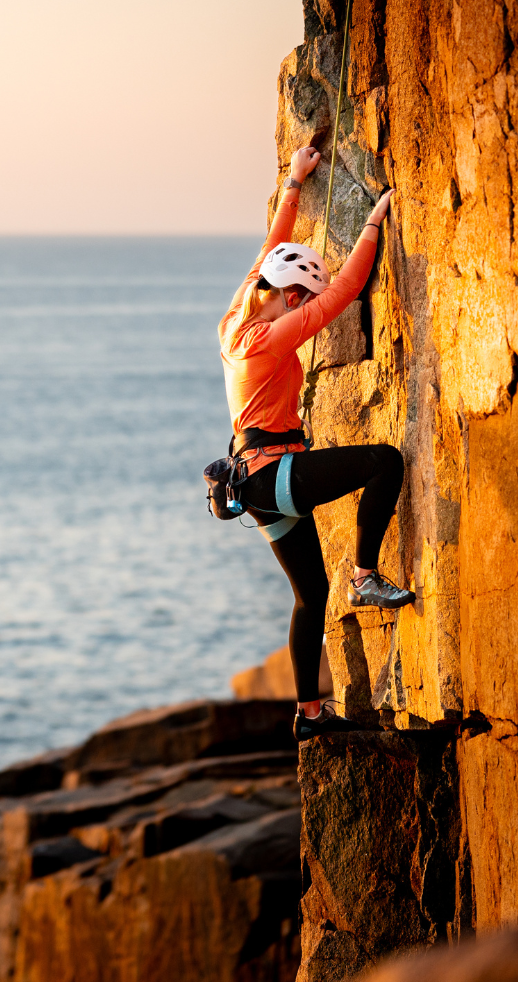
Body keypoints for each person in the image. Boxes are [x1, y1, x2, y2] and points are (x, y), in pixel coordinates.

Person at [218, 145, 416, 741]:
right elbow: (345, 290)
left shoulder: (237, 318)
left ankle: (308, 715)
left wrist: (295, 183)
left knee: (310, 597)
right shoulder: (269, 338)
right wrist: (375, 221)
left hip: (253, 484)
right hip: (274, 473)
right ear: (290, 296)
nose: (302, 309)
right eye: (301, 300)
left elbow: (268, 249)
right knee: (385, 462)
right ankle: (365, 576)